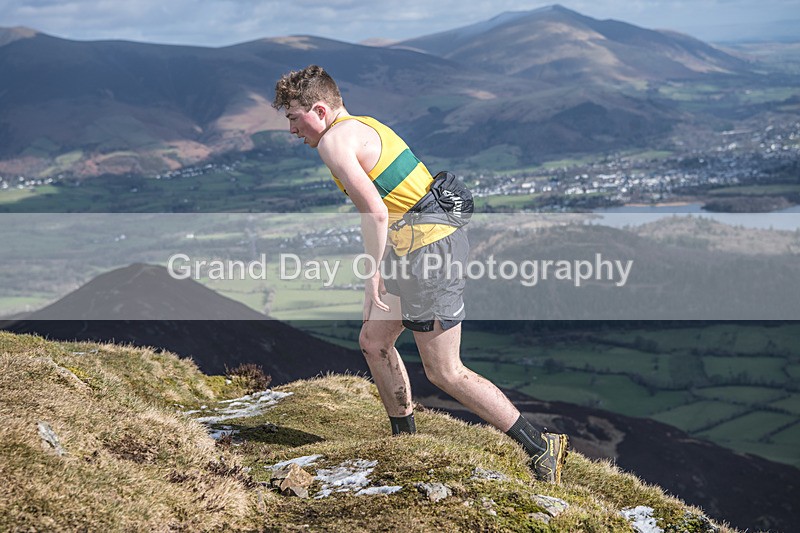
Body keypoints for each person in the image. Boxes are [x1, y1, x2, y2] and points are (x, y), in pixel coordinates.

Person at [272, 65, 568, 483]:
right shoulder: (361, 126)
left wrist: (371, 272)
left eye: (292, 117)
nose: (291, 130)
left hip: (429, 253)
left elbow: (374, 211)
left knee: (445, 370)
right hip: (416, 248)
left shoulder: (334, 142)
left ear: (318, 110)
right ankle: (404, 441)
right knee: (374, 342)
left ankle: (541, 445)